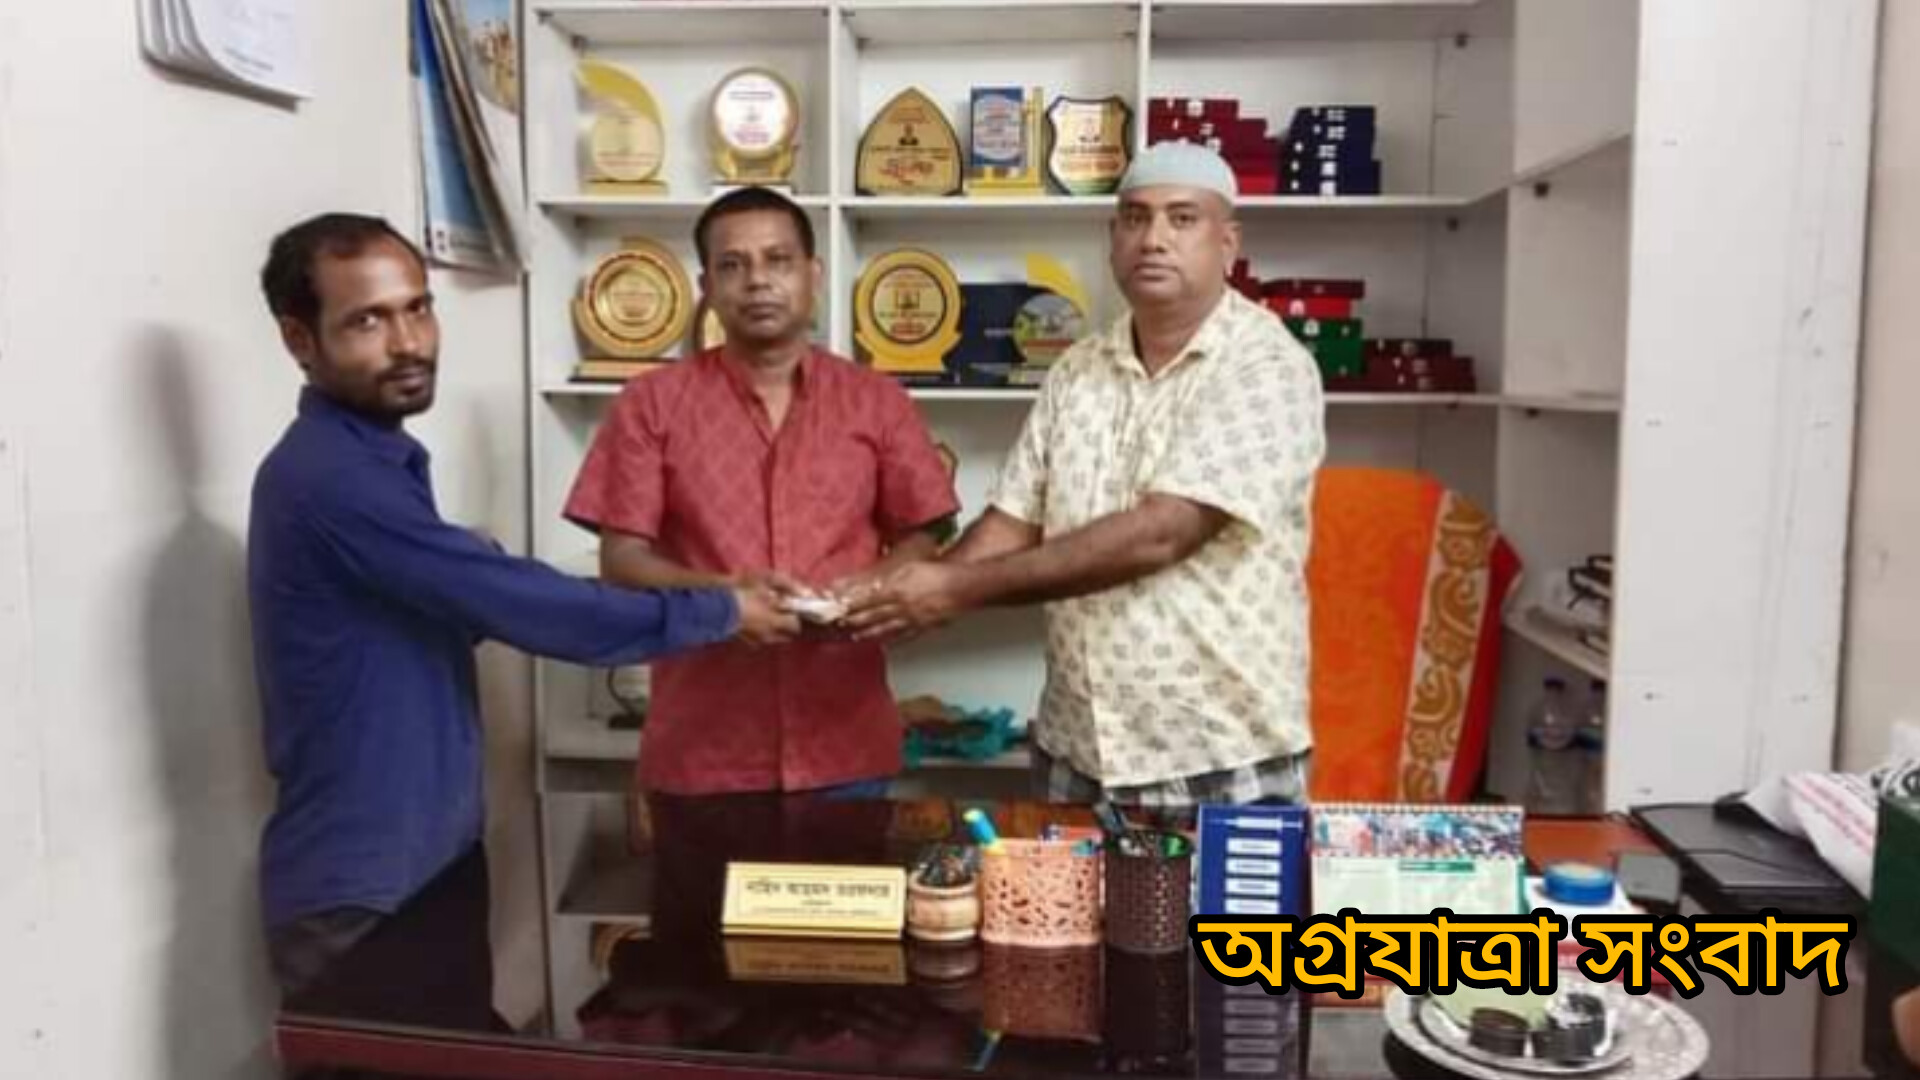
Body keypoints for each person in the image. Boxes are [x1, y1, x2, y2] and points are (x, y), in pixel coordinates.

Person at [249, 212, 799, 997]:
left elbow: (452, 601)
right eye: (367, 321)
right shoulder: (331, 478)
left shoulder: (376, 462)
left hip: (423, 863)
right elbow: (538, 611)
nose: (408, 342)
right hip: (363, 887)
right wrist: (723, 613)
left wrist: (470, 572)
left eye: (418, 308)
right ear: (298, 339)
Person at [846, 142, 1327, 808]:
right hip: (1077, 750)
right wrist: (903, 602)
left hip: (1219, 754)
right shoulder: (1078, 369)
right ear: (1112, 239)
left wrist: (953, 589)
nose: (1153, 238)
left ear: (1228, 244)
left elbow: (1162, 534)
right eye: (1135, 218)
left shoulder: (1266, 366)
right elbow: (1013, 518)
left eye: (1182, 218)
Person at [565, 186, 959, 797]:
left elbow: (926, 531)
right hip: (701, 751)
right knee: (697, 871)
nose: (757, 281)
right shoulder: (651, 403)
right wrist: (725, 598)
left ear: (813, 274)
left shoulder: (877, 400)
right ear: (707, 286)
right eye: (733, 265)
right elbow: (621, 563)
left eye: (778, 260)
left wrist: (869, 585)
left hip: (846, 746)